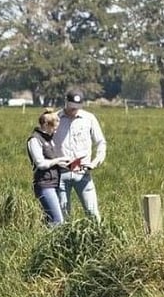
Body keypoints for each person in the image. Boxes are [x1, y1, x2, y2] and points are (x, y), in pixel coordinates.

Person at [53, 88, 107, 221]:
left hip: (83, 173)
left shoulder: (89, 118)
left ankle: (98, 234)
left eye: (77, 107)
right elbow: (44, 143)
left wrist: (95, 162)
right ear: (65, 102)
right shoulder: (55, 118)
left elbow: (101, 143)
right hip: (61, 173)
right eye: (71, 106)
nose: (74, 109)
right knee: (63, 216)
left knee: (93, 213)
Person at [26, 109, 68, 226]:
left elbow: (50, 161)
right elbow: (40, 164)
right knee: (57, 221)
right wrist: (58, 160)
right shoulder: (35, 140)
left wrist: (65, 163)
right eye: (54, 127)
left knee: (50, 220)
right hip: (44, 184)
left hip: (54, 182)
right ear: (45, 125)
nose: (55, 130)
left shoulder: (49, 139)